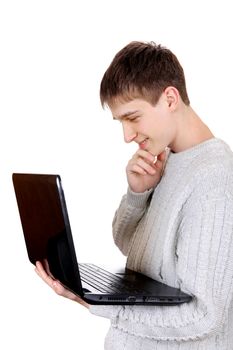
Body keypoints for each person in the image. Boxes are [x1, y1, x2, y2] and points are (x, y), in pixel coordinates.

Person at [35, 41, 233, 349]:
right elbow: (129, 245)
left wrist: (98, 304)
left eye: (133, 117)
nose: (127, 136)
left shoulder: (214, 181)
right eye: (121, 122)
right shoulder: (167, 158)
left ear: (170, 98)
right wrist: (138, 194)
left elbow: (204, 317)